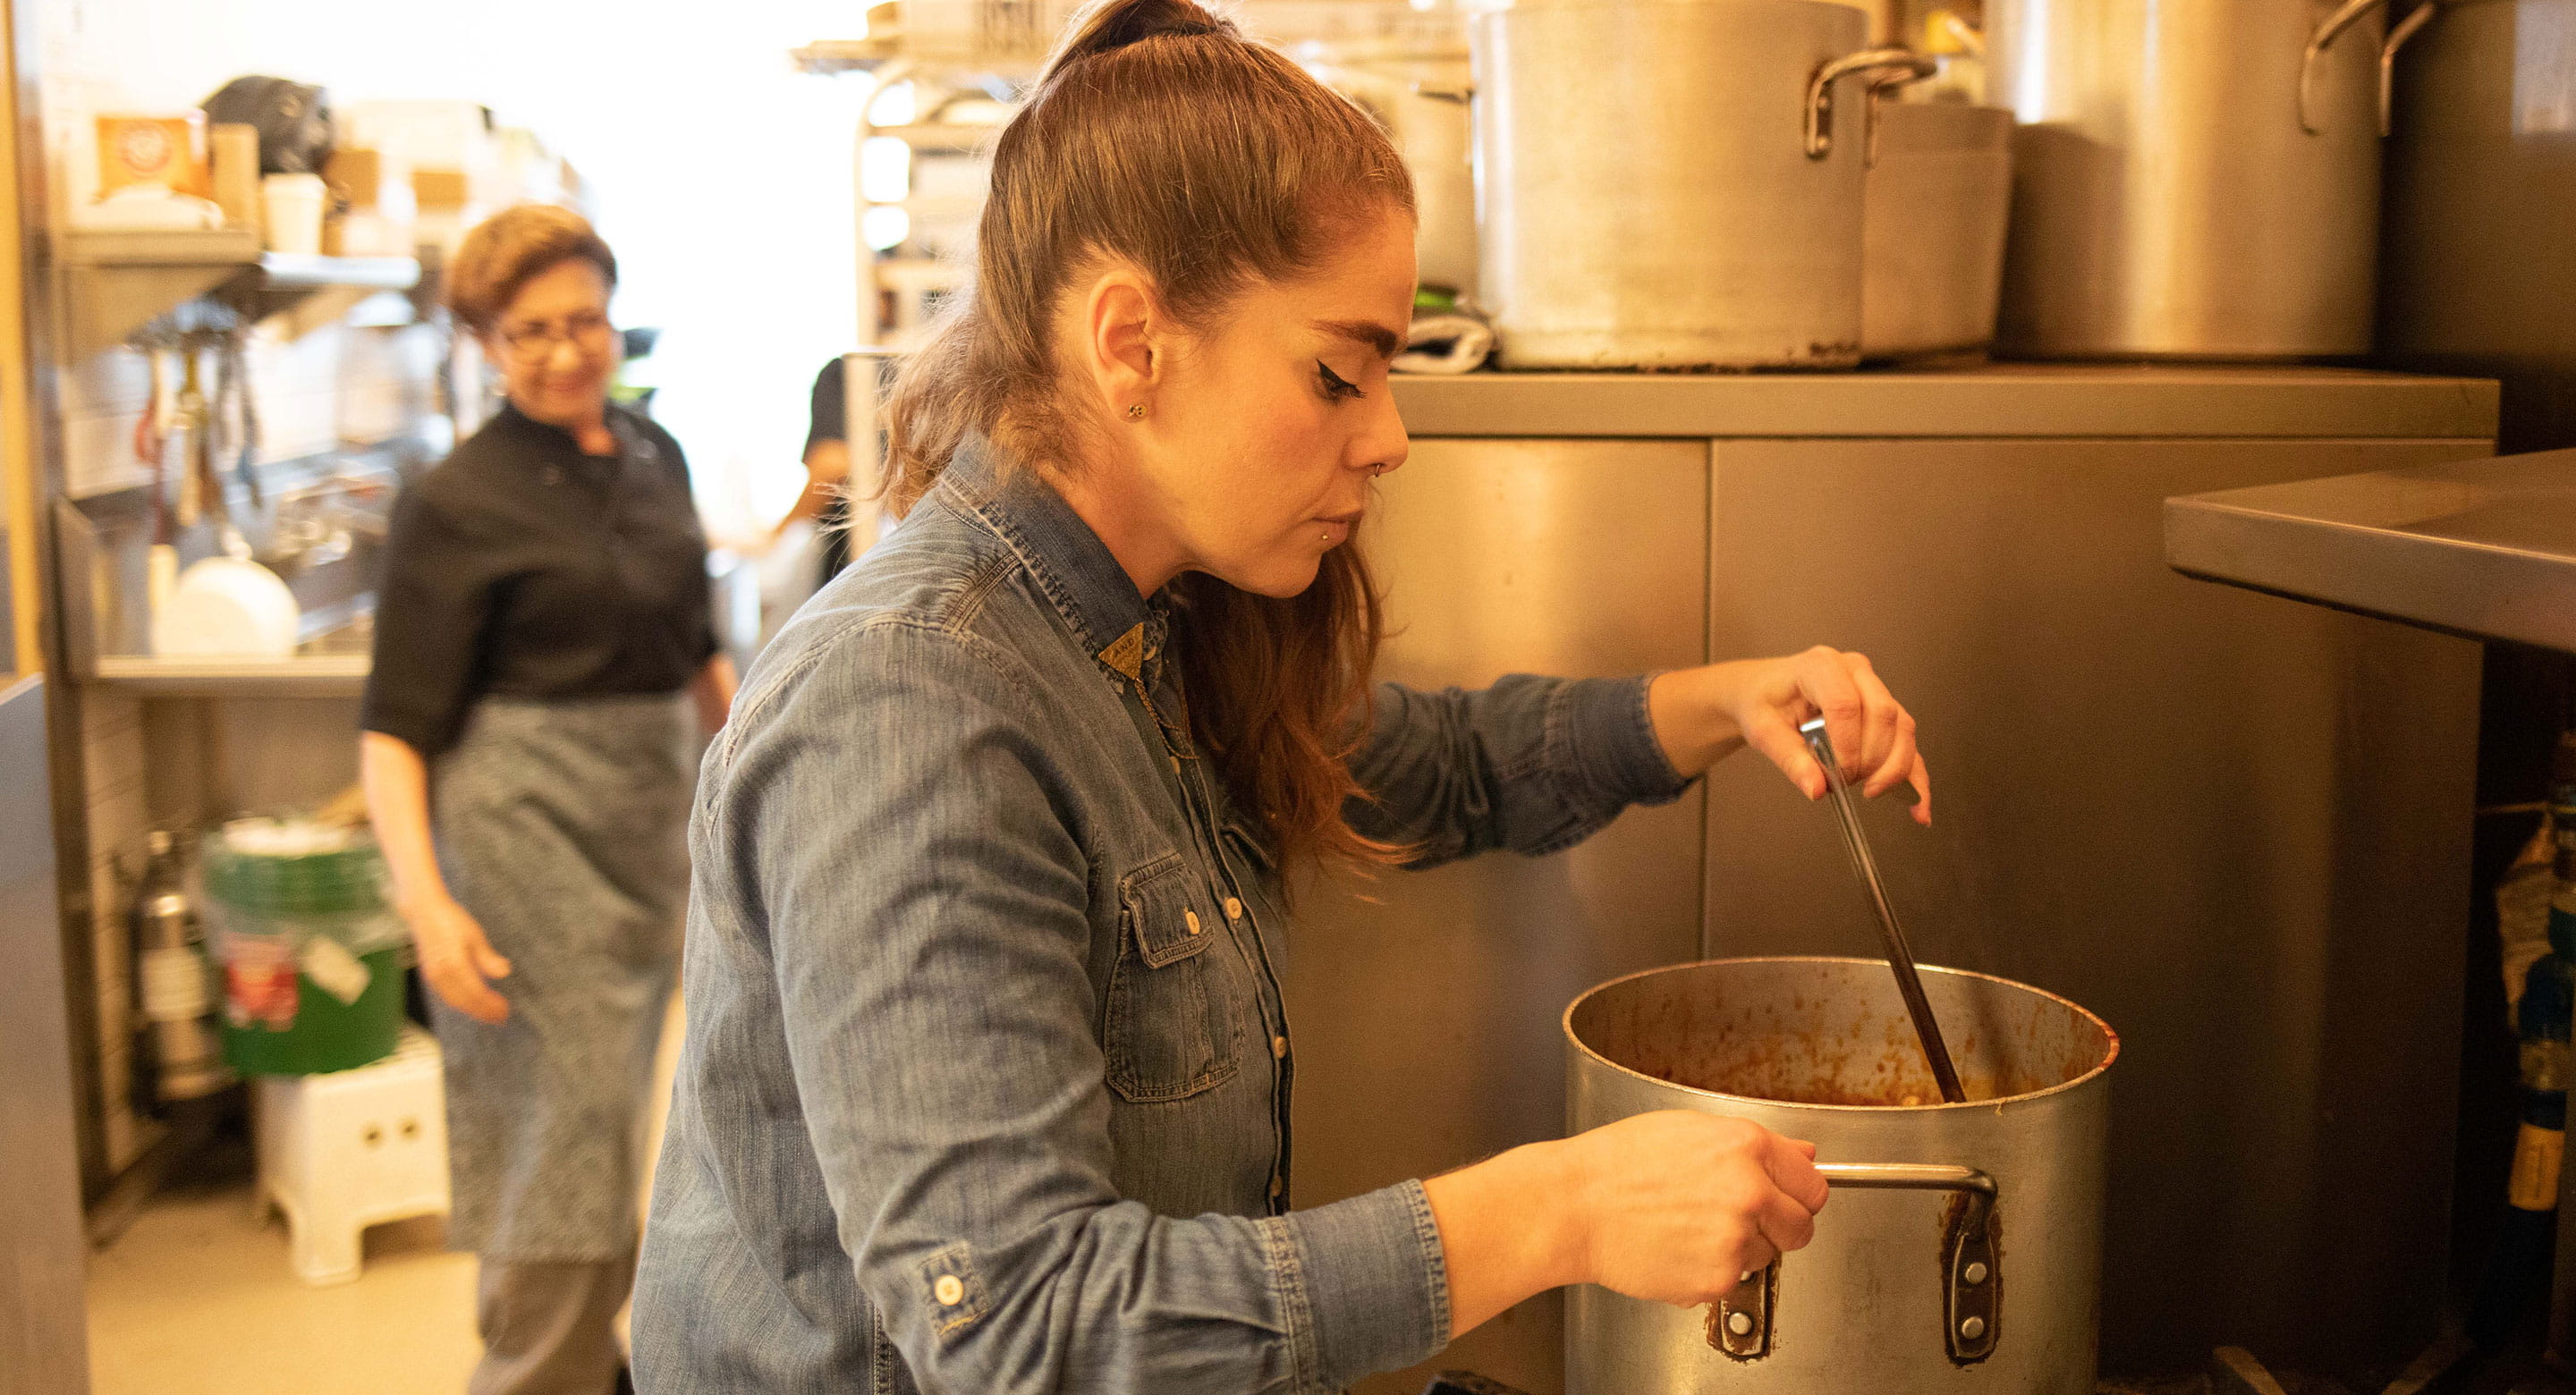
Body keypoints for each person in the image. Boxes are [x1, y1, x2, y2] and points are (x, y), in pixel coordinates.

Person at [631, 2, 1931, 1390]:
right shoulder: (913, 708)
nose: (1391, 434)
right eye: (1339, 370)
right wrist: (1559, 1211)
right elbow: (1024, 1329)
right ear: (1131, 343)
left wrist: (1721, 701)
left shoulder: (1138, 635)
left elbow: (1432, 765)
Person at [360, 204, 737, 1395]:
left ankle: (598, 1366)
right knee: (556, 1145)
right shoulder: (455, 501)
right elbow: (391, 734)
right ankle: (535, 1366)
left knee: (655, 1126)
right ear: (482, 342)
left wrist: (750, 797)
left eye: (585, 321)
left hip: (651, 829)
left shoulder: (650, 452)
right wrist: (428, 909)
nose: (567, 351)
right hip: (523, 847)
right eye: (531, 332)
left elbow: (696, 655)